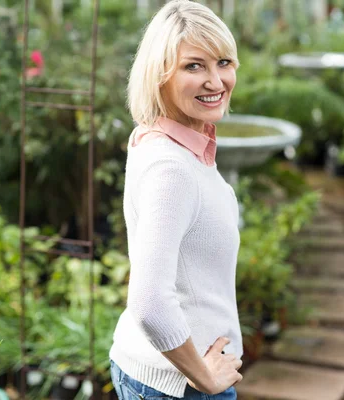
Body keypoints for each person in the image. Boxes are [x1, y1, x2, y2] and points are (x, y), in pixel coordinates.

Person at [109, 1, 243, 399]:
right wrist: (205, 377)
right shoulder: (172, 169)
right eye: (193, 66)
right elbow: (149, 302)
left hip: (159, 375)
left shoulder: (159, 139)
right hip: (180, 387)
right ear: (159, 75)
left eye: (223, 62)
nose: (216, 81)